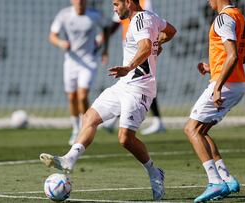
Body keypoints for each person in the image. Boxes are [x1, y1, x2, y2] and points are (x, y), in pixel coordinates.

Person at [40, 0, 176, 200]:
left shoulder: (139, 20)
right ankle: (69, 159)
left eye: (116, 4)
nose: (113, 8)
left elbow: (146, 46)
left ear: (128, 2)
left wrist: (130, 66)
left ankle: (155, 173)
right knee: (90, 117)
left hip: (139, 88)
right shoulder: (150, 17)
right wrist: (158, 42)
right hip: (124, 85)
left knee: (125, 139)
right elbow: (171, 31)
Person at [184, 0, 245, 202]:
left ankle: (215, 182)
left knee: (191, 129)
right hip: (237, 83)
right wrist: (212, 68)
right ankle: (227, 179)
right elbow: (243, 57)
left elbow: (232, 56)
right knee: (201, 131)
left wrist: (218, 86)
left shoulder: (223, 18)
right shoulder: (239, 16)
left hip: (226, 85)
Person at [49, 0, 109, 145]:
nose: (80, 2)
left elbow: (106, 29)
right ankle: (76, 129)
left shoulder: (94, 15)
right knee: (72, 97)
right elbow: (52, 35)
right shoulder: (64, 15)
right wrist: (60, 43)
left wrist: (105, 49)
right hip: (71, 61)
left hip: (89, 61)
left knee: (82, 96)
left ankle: (85, 128)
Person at [102, 0, 166, 135]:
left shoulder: (142, 5)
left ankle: (157, 121)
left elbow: (148, 18)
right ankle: (116, 120)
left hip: (141, 44)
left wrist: (156, 42)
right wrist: (101, 41)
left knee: (140, 82)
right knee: (131, 83)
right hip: (130, 44)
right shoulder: (121, 5)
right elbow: (114, 25)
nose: (115, 7)